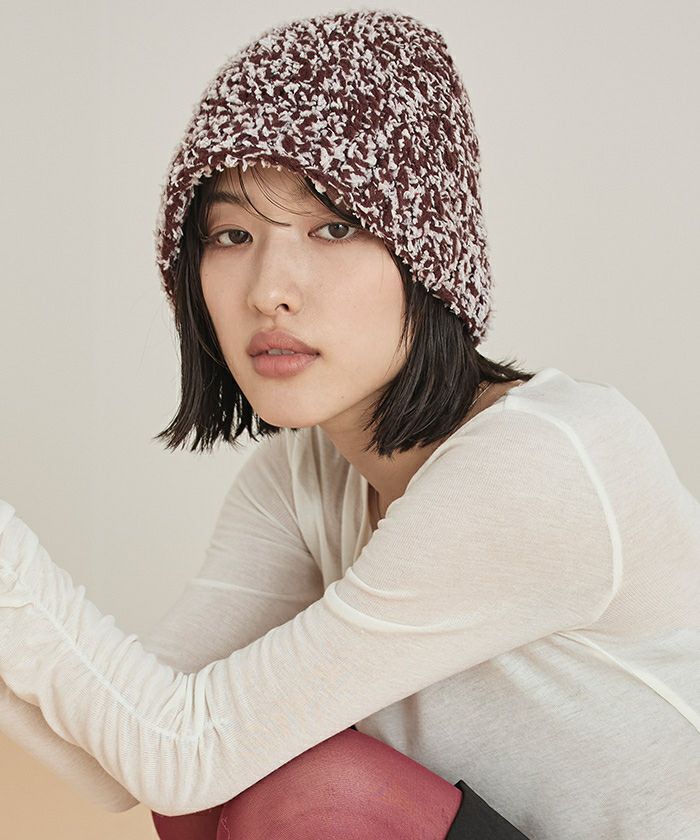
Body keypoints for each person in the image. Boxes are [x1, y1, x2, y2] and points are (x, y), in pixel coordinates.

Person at [0, 9, 698, 840]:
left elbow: (182, 748)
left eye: (334, 226)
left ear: (429, 258)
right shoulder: (300, 479)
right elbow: (129, 749)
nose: (269, 290)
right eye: (231, 234)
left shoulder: (543, 461)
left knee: (314, 792)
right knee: (213, 789)